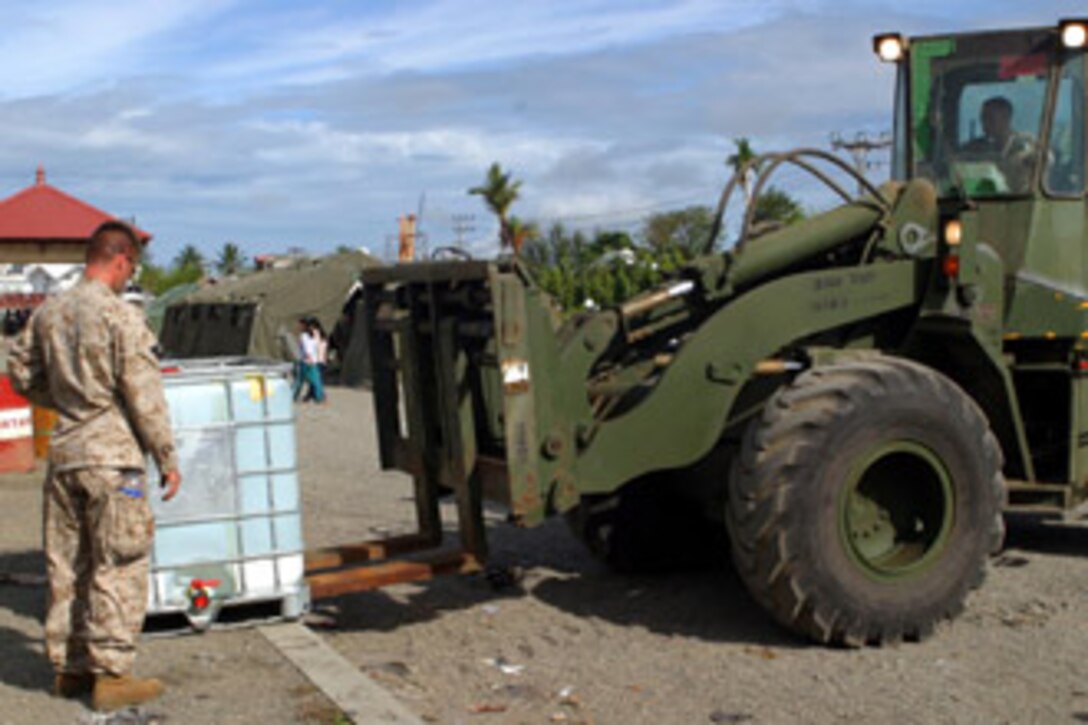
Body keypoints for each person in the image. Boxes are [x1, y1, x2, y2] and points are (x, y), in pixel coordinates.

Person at [8, 220, 182, 712]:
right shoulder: (120, 317)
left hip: (64, 454)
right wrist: (166, 457)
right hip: (112, 459)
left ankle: (69, 666)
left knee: (67, 563)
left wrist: (62, 400)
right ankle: (110, 674)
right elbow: (143, 394)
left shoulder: (49, 313)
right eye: (131, 268)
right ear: (121, 260)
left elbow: (19, 369)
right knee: (118, 559)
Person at [961, 96, 1037, 191]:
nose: (985, 125)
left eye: (991, 119)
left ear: (1006, 119)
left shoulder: (1025, 148)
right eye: (983, 119)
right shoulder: (976, 148)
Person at [291, 317, 325, 403]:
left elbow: (307, 348)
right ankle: (319, 397)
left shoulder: (304, 336)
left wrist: (309, 357)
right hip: (312, 360)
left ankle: (292, 396)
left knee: (300, 380)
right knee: (315, 380)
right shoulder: (313, 335)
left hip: (307, 361)